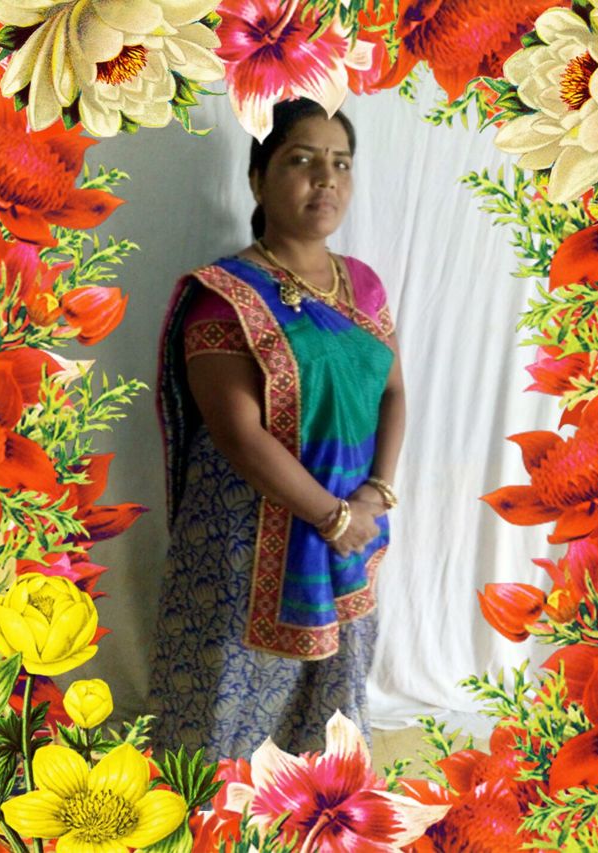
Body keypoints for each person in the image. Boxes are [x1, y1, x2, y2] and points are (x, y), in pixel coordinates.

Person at [148, 98, 406, 761]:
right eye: (302, 160)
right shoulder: (225, 294)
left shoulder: (364, 286)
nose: (326, 179)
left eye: (340, 163)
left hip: (350, 529)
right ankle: (213, 802)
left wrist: (375, 492)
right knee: (228, 700)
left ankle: (319, 793)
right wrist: (332, 515)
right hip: (245, 535)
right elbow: (238, 433)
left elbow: (393, 391)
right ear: (258, 179)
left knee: (332, 703)